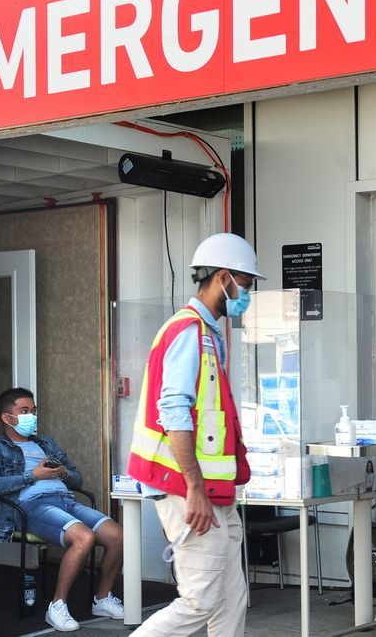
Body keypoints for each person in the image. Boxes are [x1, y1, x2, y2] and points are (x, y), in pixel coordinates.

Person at [128, 233, 262, 637]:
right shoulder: (188, 331)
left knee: (230, 596)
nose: (247, 294)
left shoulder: (207, 332)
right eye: (246, 284)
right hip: (188, 490)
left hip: (211, 490)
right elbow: (174, 415)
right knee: (200, 600)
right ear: (224, 277)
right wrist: (195, 490)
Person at [0, 387, 125, 632]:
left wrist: (62, 472)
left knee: (118, 536)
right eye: (24, 411)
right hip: (32, 506)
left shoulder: (45, 443)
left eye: (33, 411)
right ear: (6, 417)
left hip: (66, 501)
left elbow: (77, 480)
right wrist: (32, 475)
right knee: (83, 537)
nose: (31, 416)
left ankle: (103, 598)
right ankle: (57, 606)